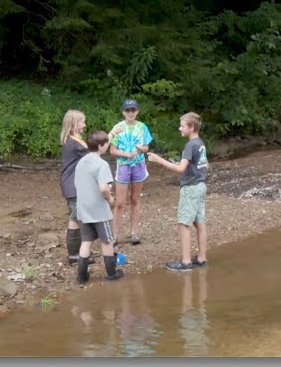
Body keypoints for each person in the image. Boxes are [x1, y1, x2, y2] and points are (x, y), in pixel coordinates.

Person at [148, 112, 210, 271]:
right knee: (199, 222)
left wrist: (159, 160)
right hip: (201, 186)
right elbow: (205, 165)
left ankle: (186, 262)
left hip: (190, 188)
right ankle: (202, 258)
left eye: (182, 125)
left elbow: (181, 169)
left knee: (184, 224)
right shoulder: (200, 143)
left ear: (191, 127)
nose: (179, 128)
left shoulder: (190, 145)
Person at [74, 130, 124, 284]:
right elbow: (103, 188)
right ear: (102, 146)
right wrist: (110, 199)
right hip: (98, 210)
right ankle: (111, 273)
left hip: (83, 207)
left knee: (86, 240)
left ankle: (81, 277)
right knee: (107, 241)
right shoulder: (102, 164)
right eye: (107, 144)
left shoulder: (81, 162)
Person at [109, 98, 153, 245]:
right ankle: (114, 235)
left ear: (137, 111)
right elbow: (112, 150)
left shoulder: (142, 127)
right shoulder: (118, 128)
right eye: (128, 110)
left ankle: (134, 233)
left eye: (133, 110)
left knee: (135, 199)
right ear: (123, 112)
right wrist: (127, 155)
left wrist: (141, 148)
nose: (130, 113)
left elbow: (147, 148)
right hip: (123, 166)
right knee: (120, 202)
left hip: (139, 165)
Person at [58, 110, 88, 264]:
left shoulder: (71, 140)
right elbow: (94, 153)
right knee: (75, 218)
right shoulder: (75, 143)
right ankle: (74, 255)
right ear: (74, 124)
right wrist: (110, 135)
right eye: (82, 122)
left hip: (71, 183)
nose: (85, 125)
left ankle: (79, 253)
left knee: (77, 217)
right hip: (72, 185)